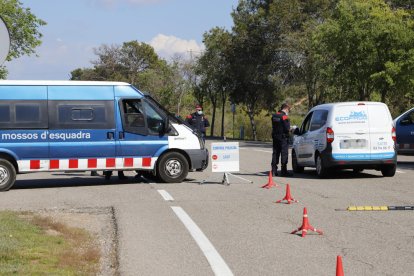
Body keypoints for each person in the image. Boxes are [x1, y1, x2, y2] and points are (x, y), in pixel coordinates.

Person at [271, 103, 293, 177]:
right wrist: (291, 129)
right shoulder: (284, 117)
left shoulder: (274, 116)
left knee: (275, 153)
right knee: (284, 153)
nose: (288, 112)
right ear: (286, 109)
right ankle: (284, 171)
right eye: (288, 110)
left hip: (275, 137)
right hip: (283, 138)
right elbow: (287, 129)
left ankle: (274, 171)